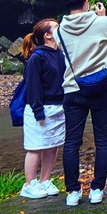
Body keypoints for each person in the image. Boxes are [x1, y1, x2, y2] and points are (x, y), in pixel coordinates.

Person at [58, 0, 107, 206]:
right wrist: (103, 16)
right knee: (102, 140)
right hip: (102, 88)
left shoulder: (58, 30)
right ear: (87, 2)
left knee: (71, 142)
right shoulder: (103, 22)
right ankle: (96, 190)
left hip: (73, 89)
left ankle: (73, 192)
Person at [19, 18, 66, 199]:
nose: (60, 30)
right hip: (39, 108)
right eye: (56, 28)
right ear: (47, 35)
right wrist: (38, 110)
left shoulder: (60, 54)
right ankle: (29, 184)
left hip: (58, 107)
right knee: (35, 147)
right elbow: (33, 86)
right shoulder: (37, 57)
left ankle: (44, 180)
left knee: (52, 146)